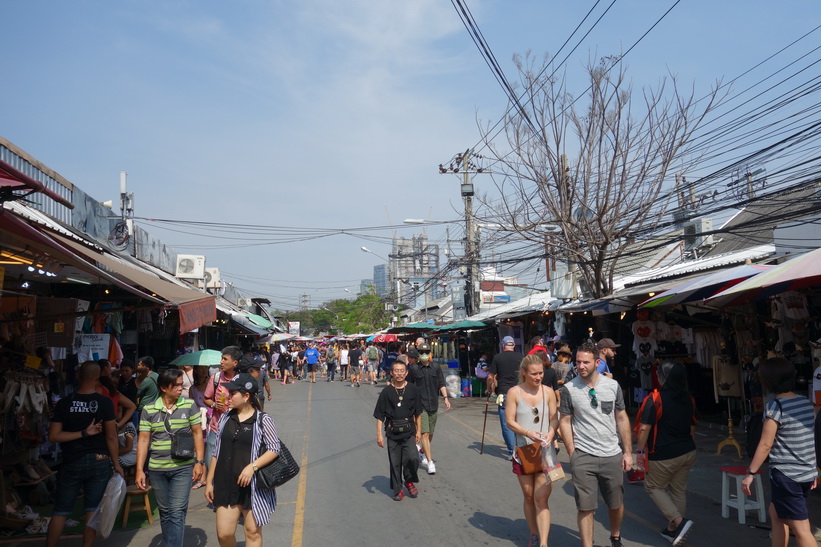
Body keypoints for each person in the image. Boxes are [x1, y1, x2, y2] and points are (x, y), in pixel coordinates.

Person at [559, 341, 632, 547]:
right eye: (578, 362)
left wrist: (627, 452)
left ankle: (615, 536)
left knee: (616, 504)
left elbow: (621, 418)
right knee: (585, 507)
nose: (580, 366)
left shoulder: (612, 386)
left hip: (612, 454)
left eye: (585, 362)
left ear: (597, 362)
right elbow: (564, 421)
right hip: (583, 455)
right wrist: (572, 452)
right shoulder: (569, 389)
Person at [742, 357, 818, 547]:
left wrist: (750, 473)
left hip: (787, 476)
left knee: (801, 529)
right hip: (806, 473)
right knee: (775, 514)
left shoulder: (776, 407)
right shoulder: (805, 403)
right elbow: (810, 439)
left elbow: (765, 445)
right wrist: (815, 469)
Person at [46, 362, 123, 547]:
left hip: (72, 460)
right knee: (92, 510)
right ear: (97, 378)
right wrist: (117, 463)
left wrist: (81, 434)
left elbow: (54, 436)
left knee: (61, 511)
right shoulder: (104, 402)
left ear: (79, 376)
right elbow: (111, 436)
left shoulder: (65, 402)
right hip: (99, 460)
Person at [205, 373, 280, 547]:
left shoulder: (262, 420)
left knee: (252, 533)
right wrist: (209, 482)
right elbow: (216, 451)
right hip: (226, 482)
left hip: (253, 486)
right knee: (224, 534)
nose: (228, 397)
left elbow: (274, 449)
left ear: (246, 396)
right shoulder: (225, 417)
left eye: (233, 394)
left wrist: (251, 467)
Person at [136, 368, 205, 547]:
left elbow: (198, 434)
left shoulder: (189, 405)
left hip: (182, 467)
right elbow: (143, 441)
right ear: (164, 388)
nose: (181, 388)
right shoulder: (149, 409)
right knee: (165, 512)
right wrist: (139, 470)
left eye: (182, 385)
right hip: (157, 469)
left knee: (176, 511)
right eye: (177, 385)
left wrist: (199, 462)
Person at [635, 360, 697, 546]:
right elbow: (692, 427)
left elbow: (644, 428)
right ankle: (673, 530)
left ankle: (679, 521)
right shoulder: (688, 398)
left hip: (663, 454)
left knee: (653, 486)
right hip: (687, 451)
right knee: (678, 490)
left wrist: (639, 451)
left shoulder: (655, 399)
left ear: (663, 378)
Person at [505, 354, 558, 547]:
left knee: (541, 498)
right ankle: (534, 533)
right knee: (529, 496)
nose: (538, 377)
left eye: (541, 373)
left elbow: (554, 417)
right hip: (523, 452)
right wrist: (528, 432)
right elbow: (509, 421)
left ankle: (543, 543)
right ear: (524, 373)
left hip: (546, 452)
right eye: (534, 374)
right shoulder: (514, 392)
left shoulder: (549, 392)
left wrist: (551, 433)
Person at [374, 361, 422, 501]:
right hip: (392, 432)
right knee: (395, 462)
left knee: (412, 458)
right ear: (392, 373)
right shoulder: (386, 392)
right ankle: (398, 489)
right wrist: (379, 435)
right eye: (396, 371)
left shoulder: (413, 389)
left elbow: (418, 412)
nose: (399, 373)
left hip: (409, 431)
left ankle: (409, 481)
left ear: (406, 373)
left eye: (402, 371)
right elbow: (379, 415)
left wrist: (419, 431)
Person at [407, 342, 451, 475]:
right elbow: (409, 387)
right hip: (420, 406)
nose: (424, 355)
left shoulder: (436, 367)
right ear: (418, 355)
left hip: (434, 404)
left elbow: (441, 383)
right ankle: (430, 462)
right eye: (421, 353)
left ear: (430, 354)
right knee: (424, 434)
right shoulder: (414, 369)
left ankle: (421, 451)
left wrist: (446, 398)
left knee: (430, 433)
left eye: (426, 352)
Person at [203, 346, 241, 471]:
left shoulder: (241, 380)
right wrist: (214, 404)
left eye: (225, 359)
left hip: (236, 427)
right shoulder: (216, 378)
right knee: (210, 463)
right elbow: (206, 398)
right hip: (216, 427)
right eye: (221, 359)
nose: (221, 362)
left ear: (234, 363)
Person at [488, 336, 522, 457]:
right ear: (513, 345)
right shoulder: (521, 357)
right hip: (520, 392)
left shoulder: (498, 357)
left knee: (507, 423)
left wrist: (489, 389)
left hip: (504, 392)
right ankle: (520, 448)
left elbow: (491, 377)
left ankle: (512, 451)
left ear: (503, 346)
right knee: (519, 421)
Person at [134, 356, 159, 428]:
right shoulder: (156, 375)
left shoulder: (145, 380)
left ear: (145, 367)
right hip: (155, 406)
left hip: (144, 408)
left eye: (139, 365)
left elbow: (136, 393)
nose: (137, 367)